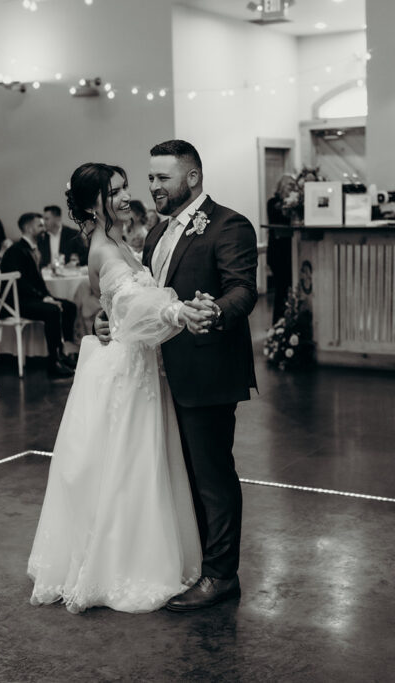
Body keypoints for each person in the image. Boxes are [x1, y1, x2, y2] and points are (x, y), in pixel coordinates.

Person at [28, 162, 216, 614]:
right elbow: (132, 304)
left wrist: (108, 315)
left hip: (138, 366)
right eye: (115, 191)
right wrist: (178, 313)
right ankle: (121, 563)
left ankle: (146, 550)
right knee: (128, 465)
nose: (127, 195)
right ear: (93, 202)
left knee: (143, 462)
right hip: (126, 373)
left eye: (125, 186)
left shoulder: (120, 241)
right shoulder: (103, 249)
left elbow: (109, 303)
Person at [98, 139, 258, 611]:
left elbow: (243, 289)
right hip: (162, 372)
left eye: (162, 178)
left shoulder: (230, 225)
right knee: (182, 475)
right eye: (150, 178)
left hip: (207, 369)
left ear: (191, 177)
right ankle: (195, 564)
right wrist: (111, 321)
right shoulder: (156, 233)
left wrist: (215, 313)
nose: (153, 187)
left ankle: (221, 575)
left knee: (212, 476)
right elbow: (146, 300)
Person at [0, 213, 77, 378]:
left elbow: (37, 282)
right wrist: (43, 298)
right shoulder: (16, 251)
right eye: (40, 225)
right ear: (29, 228)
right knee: (53, 311)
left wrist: (49, 296)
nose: (44, 229)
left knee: (69, 306)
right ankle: (53, 362)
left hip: (31, 299)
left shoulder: (33, 249)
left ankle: (65, 352)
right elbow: (20, 284)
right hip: (17, 303)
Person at [266, 174, 299, 321]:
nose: (292, 188)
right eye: (289, 185)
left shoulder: (297, 204)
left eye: (294, 185)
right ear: (280, 187)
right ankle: (278, 323)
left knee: (292, 289)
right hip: (278, 253)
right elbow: (278, 217)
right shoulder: (272, 202)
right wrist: (290, 204)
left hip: (292, 252)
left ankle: (291, 320)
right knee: (281, 289)